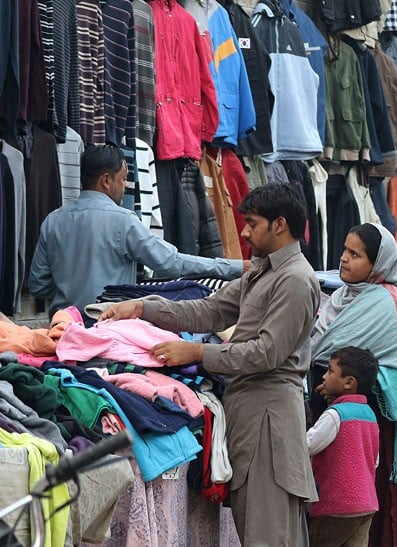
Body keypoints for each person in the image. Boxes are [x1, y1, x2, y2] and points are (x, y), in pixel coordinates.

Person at [98, 183, 319, 546]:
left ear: (279, 225)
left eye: (251, 223)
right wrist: (142, 307)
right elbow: (211, 309)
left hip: (270, 417)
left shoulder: (294, 279)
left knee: (269, 534)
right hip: (253, 413)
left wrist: (197, 354)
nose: (244, 232)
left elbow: (266, 353)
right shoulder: (265, 272)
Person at [310, 223, 397, 545]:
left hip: (376, 427)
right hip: (334, 418)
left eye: (355, 254)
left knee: (371, 509)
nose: (343, 259)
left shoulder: (394, 304)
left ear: (377, 263)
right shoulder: (338, 298)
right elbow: (319, 350)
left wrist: (354, 384)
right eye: (344, 250)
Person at [29, 144, 247, 316]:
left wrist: (71, 292)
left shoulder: (53, 221)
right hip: (107, 325)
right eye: (123, 179)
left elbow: (38, 284)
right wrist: (236, 267)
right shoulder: (122, 220)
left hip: (63, 328)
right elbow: (172, 264)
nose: (125, 186)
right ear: (106, 180)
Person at [307, 347, 380, 547]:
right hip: (367, 503)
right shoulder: (369, 415)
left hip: (337, 505)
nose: (323, 377)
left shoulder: (335, 415)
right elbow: (374, 460)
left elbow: (307, 445)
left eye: (330, 371)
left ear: (348, 383)